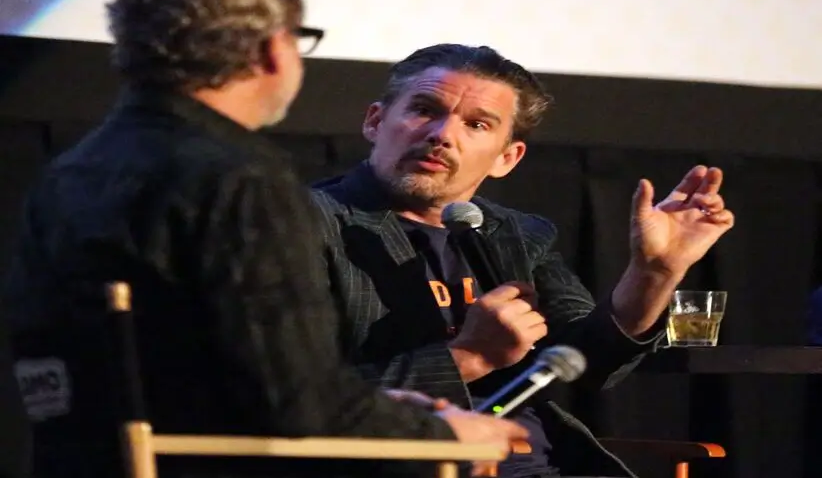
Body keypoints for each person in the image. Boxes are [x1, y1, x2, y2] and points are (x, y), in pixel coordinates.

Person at [1, 0, 527, 478]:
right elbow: (295, 407)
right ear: (272, 50)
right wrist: (445, 432)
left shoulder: (67, 173)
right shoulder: (238, 179)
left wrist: (392, 411)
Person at [310, 44, 736, 477]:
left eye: (476, 124)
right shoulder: (302, 225)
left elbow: (588, 360)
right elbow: (289, 399)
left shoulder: (517, 234)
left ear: (506, 158)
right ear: (375, 121)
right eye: (424, 109)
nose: (442, 134)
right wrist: (469, 356)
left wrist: (654, 272)